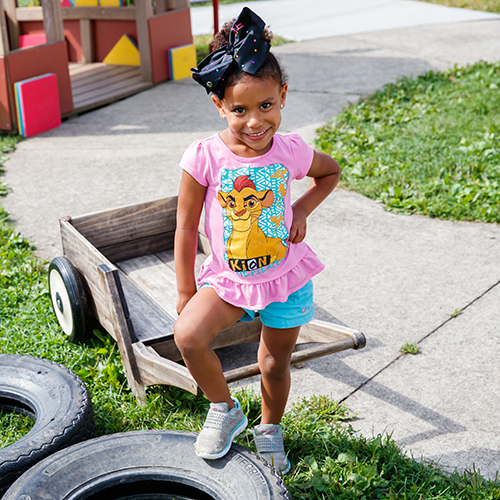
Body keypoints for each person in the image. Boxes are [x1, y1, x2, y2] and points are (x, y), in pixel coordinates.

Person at [174, 7, 341, 473]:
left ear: (282, 96)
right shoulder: (204, 156)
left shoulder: (291, 150)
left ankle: (270, 428)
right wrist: (187, 290)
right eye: (239, 110)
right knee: (188, 335)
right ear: (218, 105)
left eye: (266, 106)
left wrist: (302, 208)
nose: (254, 122)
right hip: (229, 282)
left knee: (273, 364)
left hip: (287, 278)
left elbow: (329, 173)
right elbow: (186, 226)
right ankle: (225, 410)